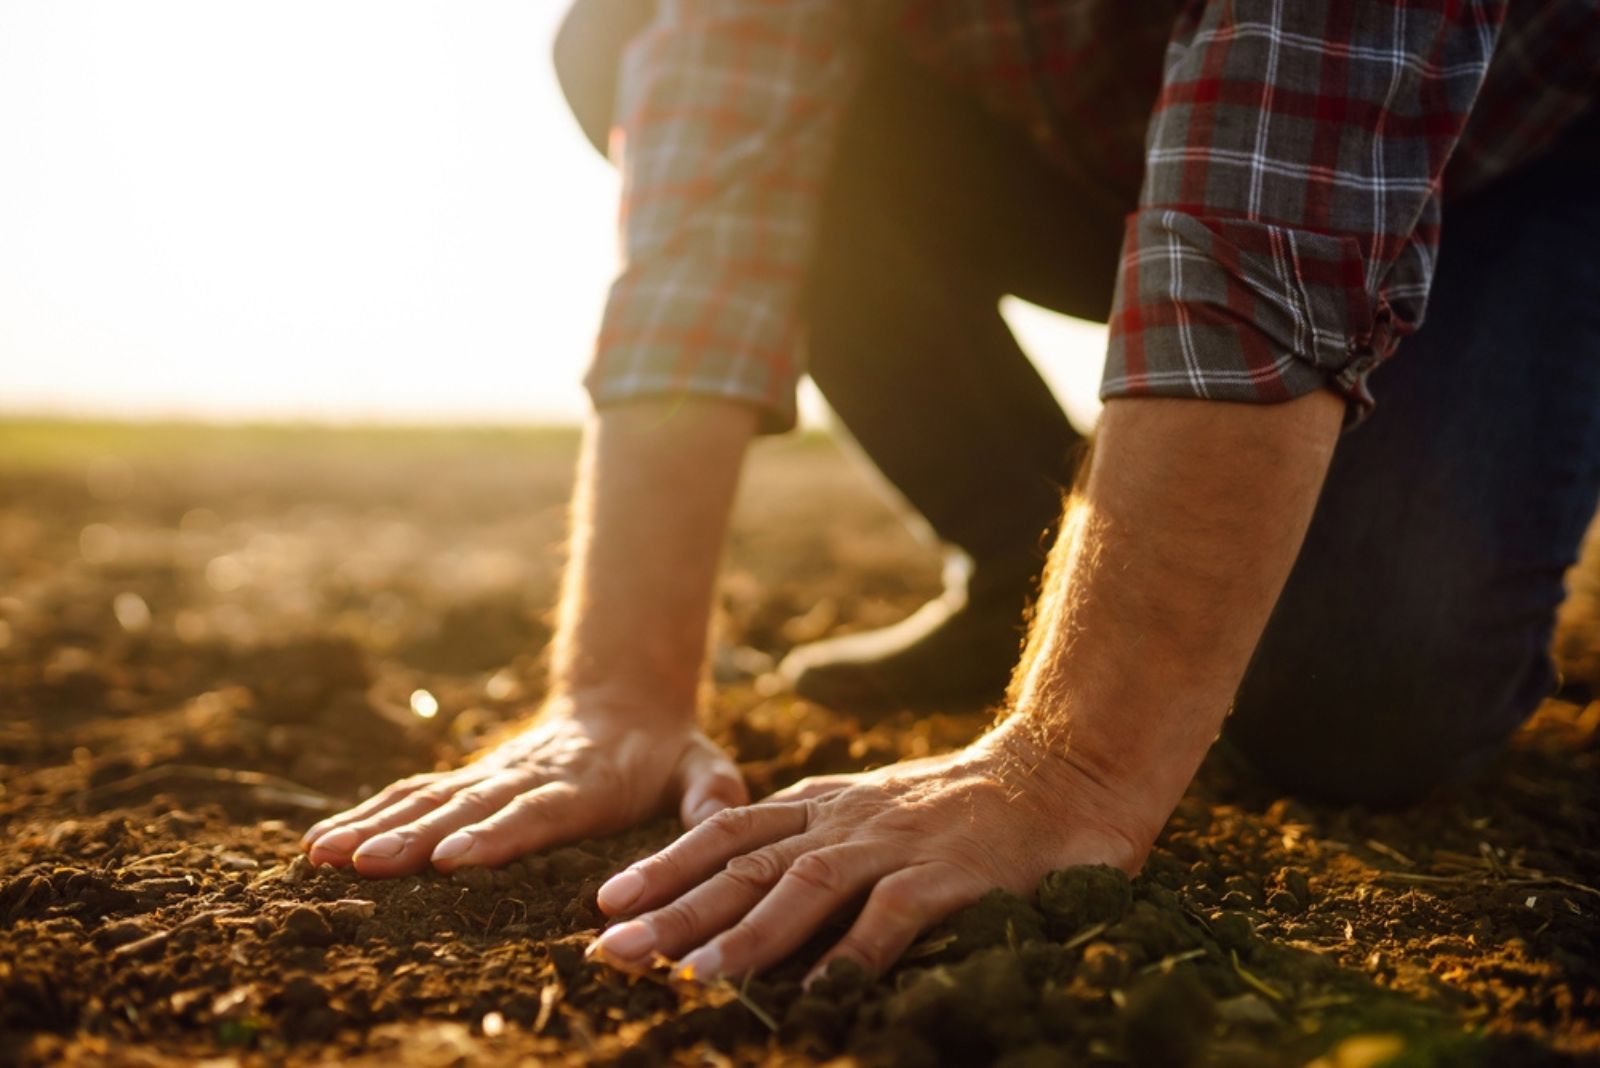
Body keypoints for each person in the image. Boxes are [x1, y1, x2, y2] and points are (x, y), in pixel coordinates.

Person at [301, 0, 1600, 985]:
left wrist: (1074, 766)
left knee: (1356, 716)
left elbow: (1276, 195)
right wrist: (615, 694)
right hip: (1095, 132)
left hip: (1500, 151)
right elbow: (714, 207)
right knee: (622, 35)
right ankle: (1017, 567)